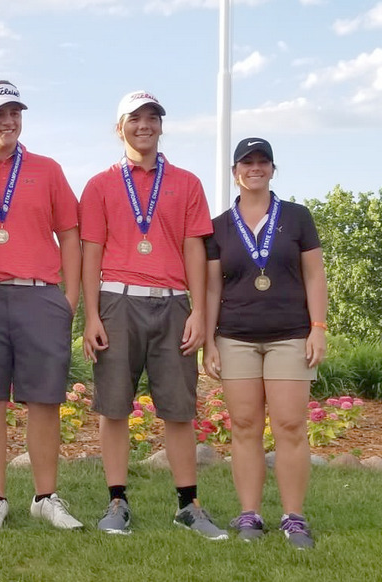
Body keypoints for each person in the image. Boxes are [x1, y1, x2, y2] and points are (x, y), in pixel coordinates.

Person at [79, 90, 226, 538]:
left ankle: (188, 504)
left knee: (179, 409)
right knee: (115, 408)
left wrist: (199, 312)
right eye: (134, 118)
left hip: (173, 303)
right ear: (118, 127)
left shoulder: (186, 182)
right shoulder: (100, 184)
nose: (144, 125)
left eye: (152, 118)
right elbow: (91, 253)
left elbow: (194, 250)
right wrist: (90, 316)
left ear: (162, 125)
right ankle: (117, 502)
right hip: (117, 300)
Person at [0, 81, 84, 531]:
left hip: (39, 295)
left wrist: (68, 297)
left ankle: (45, 496)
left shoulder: (47, 169)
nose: (8, 121)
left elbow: (69, 233)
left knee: (44, 401)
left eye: (15, 112)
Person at [203, 138, 327, 549]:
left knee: (291, 425)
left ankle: (293, 517)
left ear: (273, 169)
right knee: (244, 427)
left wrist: (318, 327)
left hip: (290, 335)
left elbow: (314, 276)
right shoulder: (219, 225)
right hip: (235, 337)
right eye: (246, 162)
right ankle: (249, 515)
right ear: (235, 171)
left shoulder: (296, 217)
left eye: (262, 162)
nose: (254, 168)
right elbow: (211, 287)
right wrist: (210, 341)